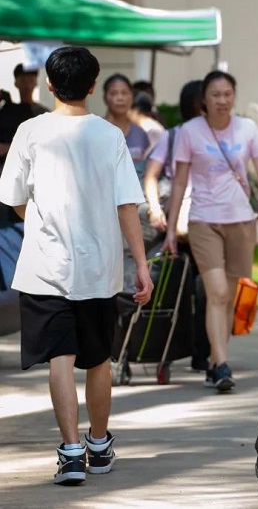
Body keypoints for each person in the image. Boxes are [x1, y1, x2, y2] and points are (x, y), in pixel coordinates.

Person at [0, 46, 154, 485]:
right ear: (93, 86)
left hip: (44, 267)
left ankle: (70, 454)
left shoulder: (29, 131)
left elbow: (14, 199)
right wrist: (141, 265)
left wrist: (39, 220)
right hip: (98, 268)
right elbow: (127, 205)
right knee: (98, 359)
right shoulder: (110, 135)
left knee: (60, 359)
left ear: (49, 84)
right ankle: (99, 446)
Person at [163, 70, 258, 392]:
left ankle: (215, 359)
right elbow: (179, 182)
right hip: (203, 220)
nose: (222, 100)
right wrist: (170, 229)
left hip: (241, 221)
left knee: (228, 296)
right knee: (218, 292)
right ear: (204, 100)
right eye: (216, 95)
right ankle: (222, 364)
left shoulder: (248, 129)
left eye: (227, 94)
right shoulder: (190, 132)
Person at [143, 79, 210, 372]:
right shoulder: (173, 137)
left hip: (209, 224)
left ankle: (203, 353)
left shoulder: (218, 135)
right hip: (179, 226)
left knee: (207, 293)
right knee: (174, 292)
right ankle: (170, 350)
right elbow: (151, 175)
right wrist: (155, 208)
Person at [102, 73, 150, 182]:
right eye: (114, 93)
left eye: (124, 93)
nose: (120, 98)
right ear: (105, 98)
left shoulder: (140, 133)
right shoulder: (96, 131)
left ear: (132, 97)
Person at [0, 63, 49, 158]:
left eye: (30, 79)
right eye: (23, 79)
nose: (27, 83)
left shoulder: (43, 113)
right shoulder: (6, 110)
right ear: (16, 83)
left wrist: (10, 147)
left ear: (35, 82)